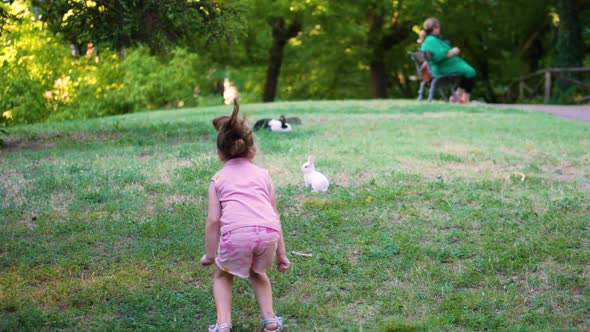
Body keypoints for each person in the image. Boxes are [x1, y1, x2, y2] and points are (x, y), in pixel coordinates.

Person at [201, 100, 290, 332]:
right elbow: (273, 214)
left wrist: (210, 255)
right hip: (268, 234)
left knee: (222, 275)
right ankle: (270, 321)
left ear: (220, 154)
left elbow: (213, 221)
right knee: (258, 273)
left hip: (237, 236)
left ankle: (223, 325)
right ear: (253, 150)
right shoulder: (263, 175)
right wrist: (281, 254)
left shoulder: (218, 179)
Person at [419, 17, 476, 103]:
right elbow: (438, 57)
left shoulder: (431, 40)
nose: (439, 29)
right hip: (441, 68)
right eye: (438, 27)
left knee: (467, 72)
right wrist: (452, 52)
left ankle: (456, 96)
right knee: (470, 72)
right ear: (435, 28)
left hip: (444, 66)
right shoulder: (431, 40)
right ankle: (465, 99)